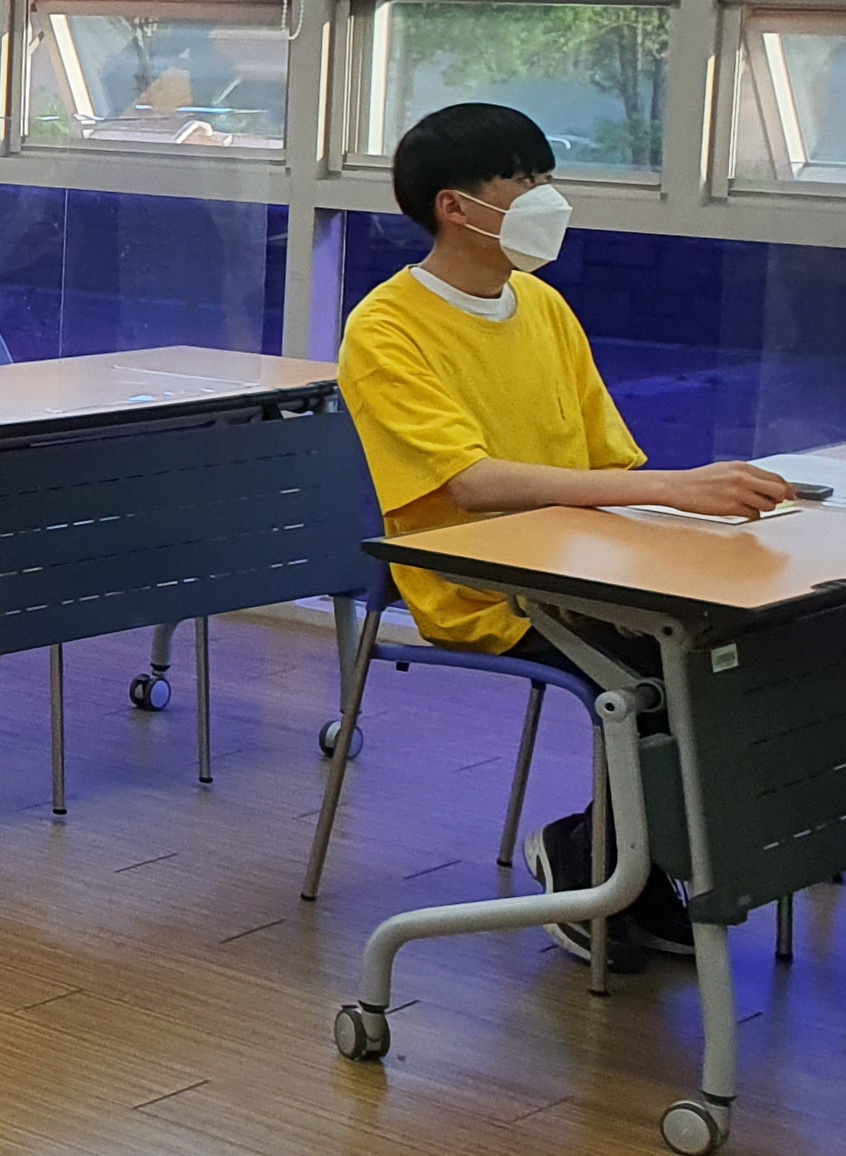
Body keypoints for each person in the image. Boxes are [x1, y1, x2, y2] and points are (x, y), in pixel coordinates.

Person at [339, 100, 793, 964]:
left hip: (579, 564)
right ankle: (600, 862)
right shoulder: (386, 327)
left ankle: (625, 863)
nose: (548, 196)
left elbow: (607, 462)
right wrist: (672, 488)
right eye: (525, 179)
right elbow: (470, 484)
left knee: (724, 645)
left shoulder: (543, 306)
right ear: (456, 206)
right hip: (482, 584)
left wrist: (682, 512)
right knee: (663, 668)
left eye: (546, 176)